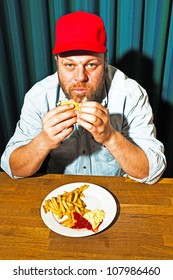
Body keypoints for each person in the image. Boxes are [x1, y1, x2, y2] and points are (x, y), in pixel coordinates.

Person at [1, 11, 166, 183]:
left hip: (118, 189)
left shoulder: (130, 94)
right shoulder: (39, 96)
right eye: (69, 65)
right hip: (60, 189)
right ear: (57, 61)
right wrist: (43, 141)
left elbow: (152, 171)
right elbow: (12, 168)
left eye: (91, 64)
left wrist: (110, 136)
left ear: (105, 61)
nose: (80, 77)